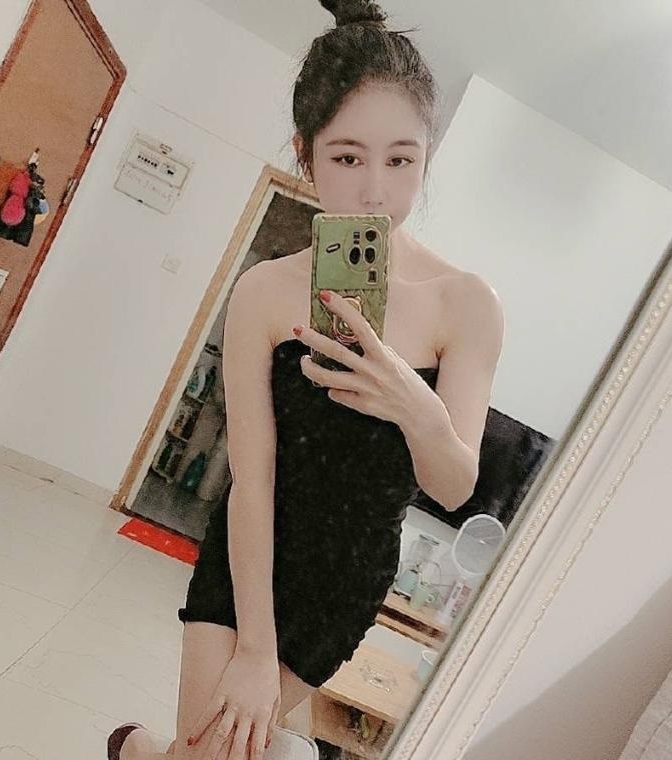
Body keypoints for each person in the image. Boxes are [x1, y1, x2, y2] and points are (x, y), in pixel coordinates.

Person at [109, 1, 503, 758]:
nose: (375, 191)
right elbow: (251, 479)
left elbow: (454, 486)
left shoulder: (466, 304)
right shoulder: (263, 293)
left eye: (401, 160)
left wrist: (412, 403)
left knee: (211, 754)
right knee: (216, 751)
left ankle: (135, 749)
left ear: (427, 155)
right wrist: (254, 650)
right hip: (247, 555)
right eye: (348, 158)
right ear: (306, 153)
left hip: (340, 582)